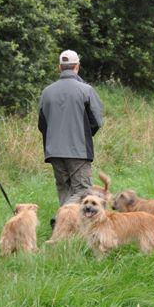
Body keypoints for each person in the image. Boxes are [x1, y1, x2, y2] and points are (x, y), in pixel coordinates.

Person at [38, 50, 104, 206]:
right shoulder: (86, 90)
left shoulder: (46, 92)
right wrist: (82, 135)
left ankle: (65, 219)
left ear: (59, 68)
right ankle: (65, 218)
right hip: (78, 151)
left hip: (54, 151)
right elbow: (96, 121)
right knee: (83, 192)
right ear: (77, 67)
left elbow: (42, 124)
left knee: (64, 189)